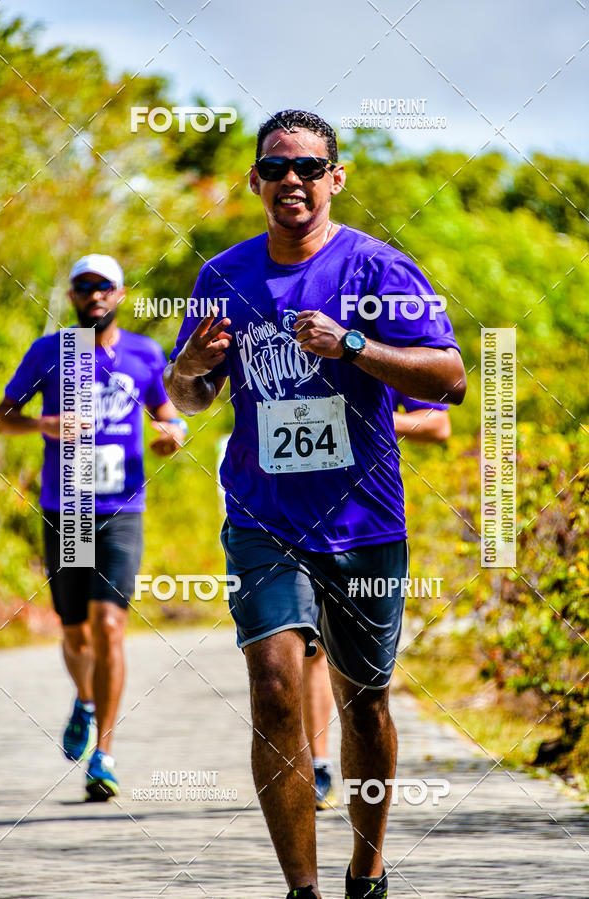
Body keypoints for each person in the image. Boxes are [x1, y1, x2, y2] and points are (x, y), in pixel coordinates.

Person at [164, 109, 466, 899]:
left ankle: (365, 873)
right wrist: (187, 369)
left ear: (335, 178)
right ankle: (301, 891)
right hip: (263, 518)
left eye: (307, 168)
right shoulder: (223, 275)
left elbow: (450, 380)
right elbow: (191, 399)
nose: (290, 181)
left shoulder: (378, 269)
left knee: (363, 705)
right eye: (275, 168)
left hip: (363, 520)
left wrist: (354, 346)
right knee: (273, 687)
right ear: (255, 181)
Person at [0, 254, 186, 801]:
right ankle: (83, 698)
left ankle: (104, 753)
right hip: (69, 505)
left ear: (121, 294)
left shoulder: (145, 354)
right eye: (84, 287)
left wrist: (171, 434)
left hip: (123, 507)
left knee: (109, 628)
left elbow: (168, 414)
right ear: (74, 296)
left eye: (104, 287)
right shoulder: (52, 352)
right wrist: (44, 423)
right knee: (76, 630)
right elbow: (3, 415)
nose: (94, 295)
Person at [305, 391, 451, 811]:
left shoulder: (376, 334)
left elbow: (438, 424)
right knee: (309, 651)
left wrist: (364, 419)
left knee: (363, 689)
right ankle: (319, 765)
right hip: (291, 521)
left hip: (365, 524)